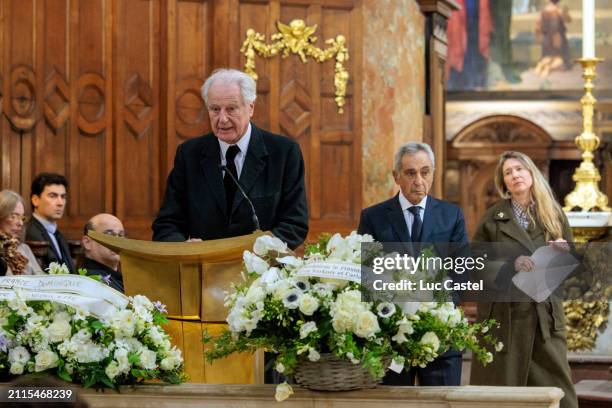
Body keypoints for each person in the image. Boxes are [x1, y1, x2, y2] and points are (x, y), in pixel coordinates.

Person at [152, 68, 308, 250]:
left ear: (250, 107)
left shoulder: (283, 152)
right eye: (215, 109)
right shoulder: (189, 154)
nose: (222, 119)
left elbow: (294, 224)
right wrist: (184, 247)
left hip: (260, 272)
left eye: (231, 109)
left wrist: (253, 256)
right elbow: (166, 224)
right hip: (202, 270)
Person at [469, 151, 578, 408]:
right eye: (508, 172)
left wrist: (564, 253)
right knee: (502, 396)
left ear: (531, 174)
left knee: (558, 393)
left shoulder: (553, 214)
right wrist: (510, 265)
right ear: (503, 182)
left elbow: (572, 264)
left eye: (519, 169)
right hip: (505, 321)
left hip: (544, 318)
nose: (515, 175)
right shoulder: (493, 219)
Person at [357, 142, 468, 386]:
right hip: (390, 335)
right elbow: (366, 275)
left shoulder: (452, 215)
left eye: (425, 172)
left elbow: (461, 270)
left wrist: (436, 308)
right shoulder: (373, 217)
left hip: (439, 334)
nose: (419, 180)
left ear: (433, 173)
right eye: (410, 173)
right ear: (396, 176)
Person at [25, 172, 75, 273]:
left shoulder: (58, 234)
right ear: (35, 200)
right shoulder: (30, 233)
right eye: (53, 196)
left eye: (63, 197)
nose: (60, 203)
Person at [0, 190, 44, 276]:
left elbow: (41, 281)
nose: (20, 223)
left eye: (22, 218)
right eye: (13, 216)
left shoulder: (24, 249)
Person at [81, 213, 125, 293]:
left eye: (121, 235)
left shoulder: (124, 278)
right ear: (87, 242)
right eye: (109, 235)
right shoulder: (88, 280)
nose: (117, 241)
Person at [534, 0, 572, 77]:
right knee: (560, 59)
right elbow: (569, 20)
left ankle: (540, 65)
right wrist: (566, 13)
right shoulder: (559, 10)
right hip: (558, 38)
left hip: (546, 38)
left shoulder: (543, 11)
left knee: (547, 56)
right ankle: (548, 68)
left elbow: (537, 25)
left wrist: (537, 37)